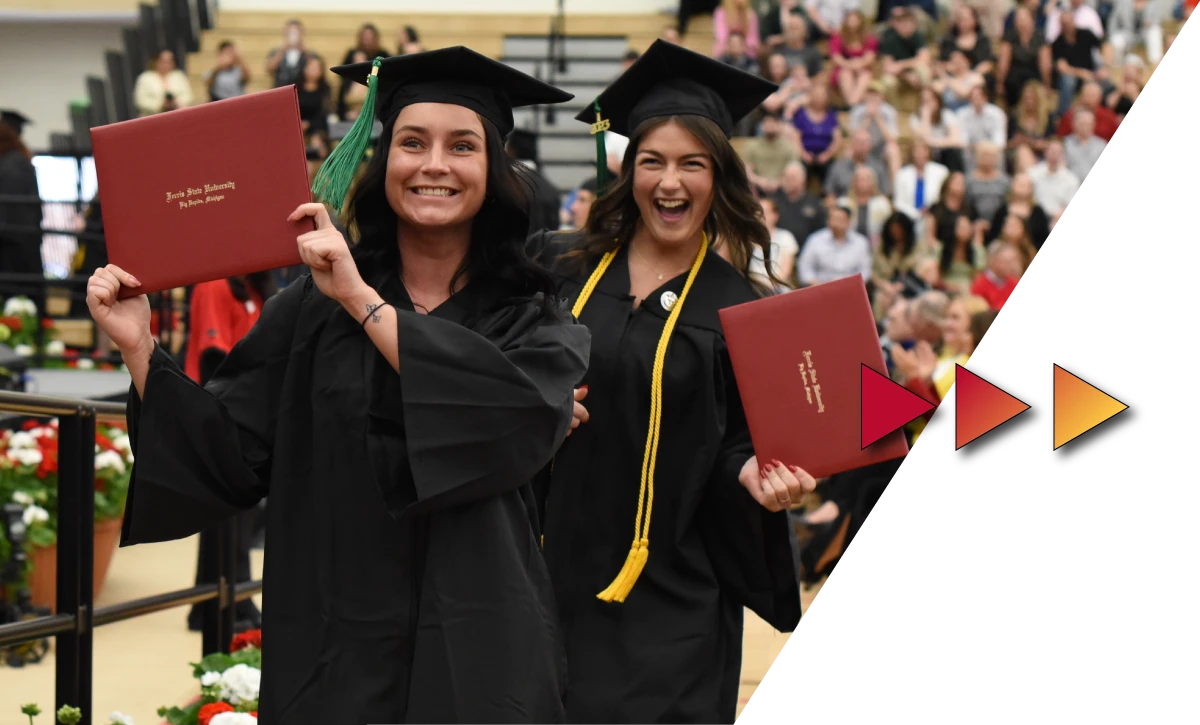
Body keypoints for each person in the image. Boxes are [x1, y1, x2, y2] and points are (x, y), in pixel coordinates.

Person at [86, 47, 590, 724]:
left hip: (481, 652)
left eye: (461, 145)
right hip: (337, 651)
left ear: (493, 170)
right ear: (384, 164)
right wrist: (139, 345)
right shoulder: (309, 311)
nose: (434, 164)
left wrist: (363, 302)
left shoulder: (533, 314)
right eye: (412, 142)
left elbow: (514, 419)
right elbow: (232, 455)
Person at [526, 40, 808, 725]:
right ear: (628, 172)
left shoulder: (744, 311)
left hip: (674, 601)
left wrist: (753, 475)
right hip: (544, 577)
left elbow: (740, 440)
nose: (669, 181)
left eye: (692, 163)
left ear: (720, 178)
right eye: (652, 160)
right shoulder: (561, 268)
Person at [182, 273, 278, 634]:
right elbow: (213, 355)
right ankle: (224, 601)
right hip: (219, 411)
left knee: (240, 516)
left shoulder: (258, 290)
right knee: (227, 516)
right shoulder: (214, 284)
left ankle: (219, 602)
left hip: (251, 416)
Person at [0, 112, 42, 276]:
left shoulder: (12, 165)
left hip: (15, 250)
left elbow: (12, 213)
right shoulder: (16, 160)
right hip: (20, 244)